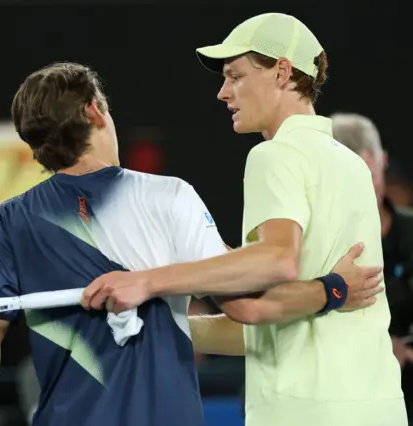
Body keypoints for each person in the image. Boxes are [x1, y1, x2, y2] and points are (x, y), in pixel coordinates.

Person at [0, 61, 381, 426]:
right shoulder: (168, 196)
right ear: (95, 111)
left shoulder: (9, 220)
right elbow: (247, 306)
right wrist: (332, 290)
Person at [81, 13, 407, 426]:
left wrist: (146, 281)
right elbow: (267, 320)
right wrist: (162, 323)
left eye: (235, 76)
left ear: (282, 73)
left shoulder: (273, 155)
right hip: (379, 408)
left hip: (302, 414)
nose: (222, 92)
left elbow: (276, 264)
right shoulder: (352, 166)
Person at [331, 112, 413, 422]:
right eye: (353, 175)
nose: (365, 186)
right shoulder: (314, 245)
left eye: (371, 172)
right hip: (343, 394)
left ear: (383, 161)